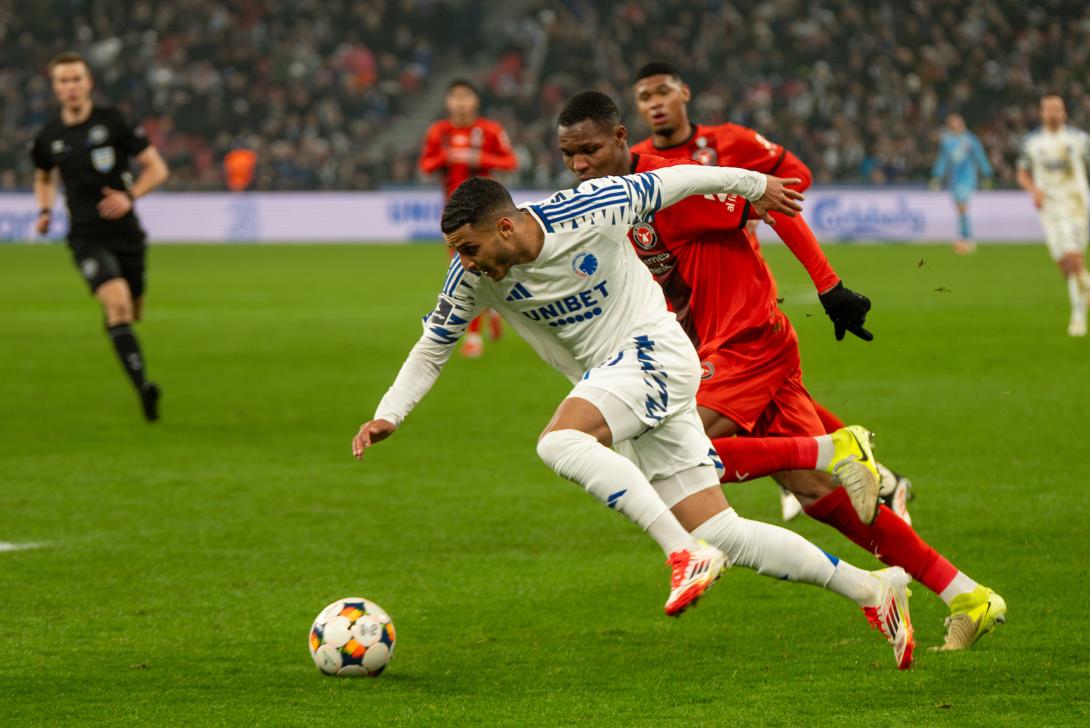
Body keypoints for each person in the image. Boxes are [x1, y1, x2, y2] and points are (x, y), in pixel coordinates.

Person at [351, 164, 917, 667]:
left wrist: (753, 185)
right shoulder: (473, 277)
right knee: (722, 530)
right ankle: (873, 588)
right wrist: (389, 414)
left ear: (504, 227)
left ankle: (683, 553)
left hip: (654, 352)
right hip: (620, 382)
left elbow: (678, 180)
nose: (463, 261)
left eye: (468, 248)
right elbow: (434, 345)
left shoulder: (588, 208)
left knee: (559, 442)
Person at [561, 89, 1005, 652]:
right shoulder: (603, 205)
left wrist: (829, 286)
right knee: (821, 495)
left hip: (745, 341)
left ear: (620, 139)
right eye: (569, 155)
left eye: (590, 151)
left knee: (680, 459)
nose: (580, 165)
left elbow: (774, 199)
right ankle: (967, 596)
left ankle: (835, 448)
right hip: (709, 353)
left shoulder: (673, 184)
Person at [629, 61, 913, 525]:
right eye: (645, 97)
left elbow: (794, 178)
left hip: (738, 289)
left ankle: (808, 466)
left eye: (664, 91)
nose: (656, 103)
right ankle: (866, 471)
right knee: (766, 394)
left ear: (685, 93)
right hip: (681, 305)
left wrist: (747, 213)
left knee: (700, 423)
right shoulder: (636, 161)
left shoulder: (730, 141)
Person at [30, 51, 170, 421]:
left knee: (132, 311)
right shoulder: (48, 137)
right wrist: (44, 210)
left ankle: (117, 328)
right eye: (63, 80)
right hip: (86, 236)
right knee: (118, 305)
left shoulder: (114, 121)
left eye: (76, 79)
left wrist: (130, 196)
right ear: (55, 87)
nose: (71, 87)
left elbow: (157, 169)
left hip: (126, 234)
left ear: (89, 82)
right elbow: (43, 177)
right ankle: (144, 389)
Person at [419, 79, 518, 358]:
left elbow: (510, 162)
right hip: (453, 215)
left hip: (488, 212)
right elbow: (426, 165)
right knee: (468, 270)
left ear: (476, 100)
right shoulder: (438, 132)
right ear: (447, 102)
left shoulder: (490, 130)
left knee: (474, 269)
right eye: (455, 96)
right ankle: (491, 313)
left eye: (466, 96)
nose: (461, 102)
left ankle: (474, 334)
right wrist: (447, 157)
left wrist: (478, 157)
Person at [1016, 94, 1090, 337]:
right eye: (1048, 109)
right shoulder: (1031, 142)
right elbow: (1022, 173)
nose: (1053, 113)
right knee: (1064, 265)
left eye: (1057, 108)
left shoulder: (1080, 140)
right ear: (1041, 113)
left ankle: (1078, 317)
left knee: (1074, 259)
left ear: (1064, 112)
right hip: (1049, 210)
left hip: (1076, 206)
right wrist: (1034, 191)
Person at [930, 113, 994, 255]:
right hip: (954, 179)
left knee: (963, 206)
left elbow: (980, 156)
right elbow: (943, 160)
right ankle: (964, 236)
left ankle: (966, 237)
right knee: (959, 208)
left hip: (967, 177)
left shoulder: (971, 140)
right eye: (951, 124)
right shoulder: (947, 141)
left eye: (956, 123)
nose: (954, 126)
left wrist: (986, 174)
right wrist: (937, 176)